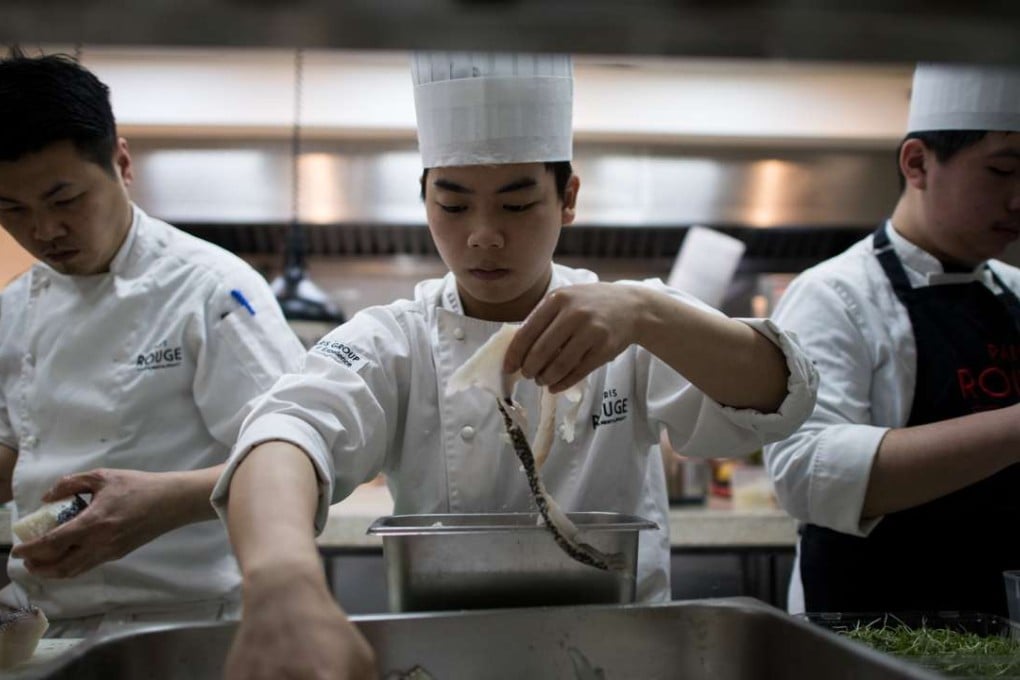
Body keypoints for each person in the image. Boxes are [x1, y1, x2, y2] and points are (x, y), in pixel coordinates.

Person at [214, 52, 818, 679]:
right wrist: (282, 578)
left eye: (516, 204)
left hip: (620, 661)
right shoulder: (397, 339)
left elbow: (782, 397)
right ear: (424, 200)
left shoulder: (631, 319)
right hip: (446, 665)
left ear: (568, 198)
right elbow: (286, 432)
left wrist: (646, 312)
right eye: (453, 206)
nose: (483, 235)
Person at [0, 49, 304, 636]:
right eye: (11, 209)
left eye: (65, 200)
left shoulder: (211, 289)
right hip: (42, 624)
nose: (44, 231)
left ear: (121, 163)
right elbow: (20, 446)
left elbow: (299, 453)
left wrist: (165, 502)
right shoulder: (14, 306)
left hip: (185, 624)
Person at [764, 63, 1020, 616]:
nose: (1018, 199)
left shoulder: (1015, 291)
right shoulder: (836, 295)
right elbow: (805, 473)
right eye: (1002, 171)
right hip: (875, 633)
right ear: (917, 163)